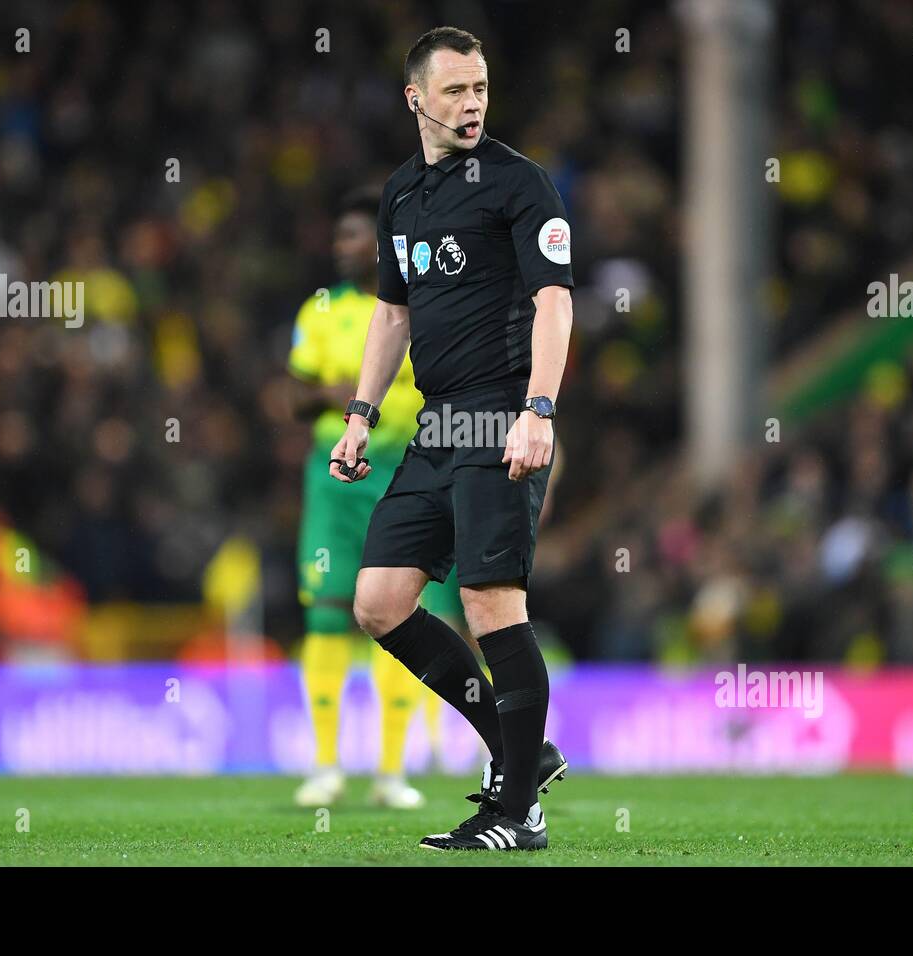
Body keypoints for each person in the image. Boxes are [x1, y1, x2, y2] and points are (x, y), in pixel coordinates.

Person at [330, 27, 572, 850]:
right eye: (455, 91)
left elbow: (554, 302)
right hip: (437, 422)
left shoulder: (519, 184)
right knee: (379, 602)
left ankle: (517, 812)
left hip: (502, 410)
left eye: (480, 90)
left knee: (489, 601)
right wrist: (360, 416)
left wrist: (539, 408)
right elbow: (392, 315)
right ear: (415, 99)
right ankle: (522, 752)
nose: (471, 105)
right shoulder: (399, 196)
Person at [288, 189, 465, 809]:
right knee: (328, 610)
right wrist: (333, 394)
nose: (342, 248)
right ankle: (326, 765)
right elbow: (293, 398)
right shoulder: (320, 311)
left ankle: (392, 770)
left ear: (384, 243)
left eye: (354, 236)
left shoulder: (422, 307)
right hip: (335, 477)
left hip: (405, 468)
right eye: (338, 237)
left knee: (402, 616)